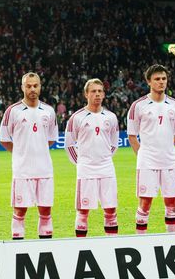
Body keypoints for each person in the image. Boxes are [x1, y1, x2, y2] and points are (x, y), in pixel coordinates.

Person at [0, 72, 57, 240]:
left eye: (35, 85)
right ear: (22, 87)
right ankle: (18, 249)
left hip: (45, 169)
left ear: (40, 86)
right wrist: (21, 152)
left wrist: (37, 149)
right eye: (28, 86)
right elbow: (4, 139)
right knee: (20, 210)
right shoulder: (13, 111)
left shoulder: (49, 111)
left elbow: (51, 139)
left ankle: (45, 250)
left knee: (46, 210)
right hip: (22, 170)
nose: (32, 89)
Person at [127, 64, 175, 233]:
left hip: (169, 160)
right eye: (157, 79)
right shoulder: (138, 105)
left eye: (164, 79)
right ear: (149, 82)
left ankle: (172, 240)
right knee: (145, 203)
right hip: (147, 162)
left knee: (172, 203)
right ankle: (141, 240)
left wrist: (164, 148)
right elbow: (132, 135)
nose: (161, 82)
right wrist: (144, 153)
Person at [65, 78, 120, 237]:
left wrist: (104, 158)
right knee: (83, 211)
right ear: (86, 94)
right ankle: (82, 247)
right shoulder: (77, 117)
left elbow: (114, 143)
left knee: (110, 210)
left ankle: (112, 245)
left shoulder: (111, 117)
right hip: (86, 169)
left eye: (100, 91)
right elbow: (69, 145)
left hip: (106, 168)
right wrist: (82, 162)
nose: (97, 94)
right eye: (93, 91)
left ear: (103, 94)